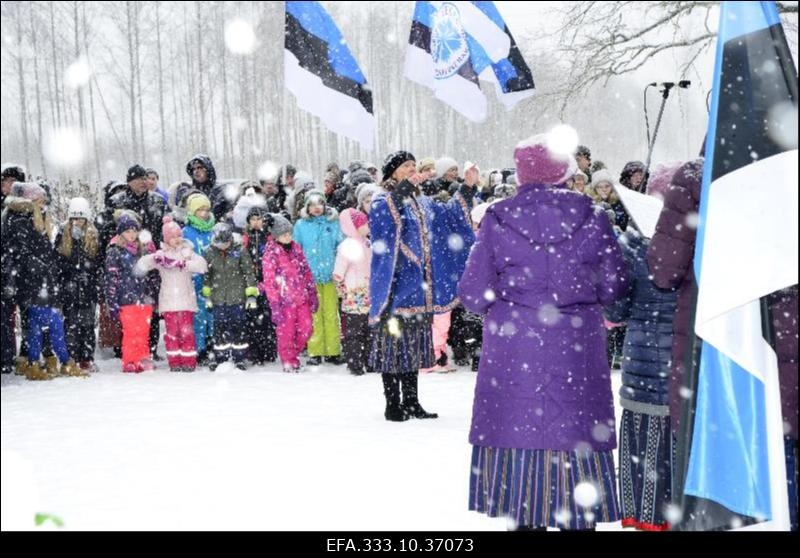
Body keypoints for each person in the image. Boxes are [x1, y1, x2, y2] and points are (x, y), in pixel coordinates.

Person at [459, 134, 628, 530]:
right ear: (565, 172)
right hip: (575, 350)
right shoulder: (594, 216)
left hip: (515, 354)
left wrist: (510, 300)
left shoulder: (498, 218)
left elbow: (471, 292)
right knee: (575, 456)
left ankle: (524, 513)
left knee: (521, 461)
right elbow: (614, 285)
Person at [368, 151, 476, 421]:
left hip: (419, 288)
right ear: (393, 172)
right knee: (393, 348)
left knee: (413, 346)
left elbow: (451, 216)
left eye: (414, 166)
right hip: (395, 287)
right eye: (406, 166)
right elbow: (385, 222)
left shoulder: (422, 201)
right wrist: (404, 189)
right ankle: (393, 404)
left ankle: (412, 401)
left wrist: (467, 186)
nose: (412, 170)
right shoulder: (384, 198)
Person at [605, 227, 678, 531]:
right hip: (687, 360)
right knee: (681, 445)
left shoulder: (632, 243)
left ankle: (647, 515)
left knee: (645, 449)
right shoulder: (702, 236)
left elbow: (616, 307)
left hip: (644, 364)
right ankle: (684, 511)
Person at [137, 217, 208, 372]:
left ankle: (189, 361)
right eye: (172, 237)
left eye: (178, 236)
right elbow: (142, 264)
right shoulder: (162, 255)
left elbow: (202, 265)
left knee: (187, 333)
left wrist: (185, 264)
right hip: (169, 302)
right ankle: (174, 362)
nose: (176, 240)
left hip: (186, 301)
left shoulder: (187, 252)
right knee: (172, 335)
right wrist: (154, 257)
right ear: (166, 239)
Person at [260, 214, 318, 373]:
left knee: (306, 329)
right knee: (286, 333)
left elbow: (306, 271)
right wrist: (275, 304)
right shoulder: (271, 253)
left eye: (290, 233)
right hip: (284, 301)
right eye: (284, 234)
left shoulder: (296, 248)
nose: (288, 237)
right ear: (276, 236)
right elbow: (269, 281)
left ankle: (293, 354)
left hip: (302, 298)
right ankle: (288, 360)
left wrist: (312, 292)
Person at [293, 191, 344, 366]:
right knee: (314, 315)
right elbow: (296, 251)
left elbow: (340, 246)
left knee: (331, 314)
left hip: (330, 277)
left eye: (319, 203)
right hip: (310, 279)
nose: (316, 207)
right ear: (307, 207)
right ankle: (315, 350)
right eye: (312, 204)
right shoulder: (301, 225)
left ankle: (333, 350)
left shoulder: (333, 223)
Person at [104, 212, 157, 373]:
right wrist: (112, 301)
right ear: (120, 233)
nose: (132, 235)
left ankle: (143, 357)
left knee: (143, 331)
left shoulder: (143, 251)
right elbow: (111, 278)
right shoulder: (115, 251)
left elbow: (152, 275)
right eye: (128, 231)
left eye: (134, 231)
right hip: (125, 299)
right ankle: (130, 359)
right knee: (130, 332)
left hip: (144, 298)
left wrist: (153, 294)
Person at [202, 223, 258, 371]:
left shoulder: (239, 251)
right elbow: (207, 276)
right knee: (219, 328)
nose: (223, 246)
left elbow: (248, 273)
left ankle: (239, 357)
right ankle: (221, 357)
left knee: (238, 327)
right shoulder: (209, 252)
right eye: (220, 243)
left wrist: (251, 295)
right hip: (218, 297)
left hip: (237, 297)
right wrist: (207, 296)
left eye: (226, 243)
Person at [56, 197, 103, 373]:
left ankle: (87, 358)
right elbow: (58, 261)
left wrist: (90, 276)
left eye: (81, 219)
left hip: (88, 288)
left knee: (87, 324)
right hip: (69, 288)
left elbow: (97, 262)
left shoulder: (93, 235)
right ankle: (72, 357)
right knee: (71, 324)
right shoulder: (63, 235)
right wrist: (71, 273)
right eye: (75, 219)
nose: (78, 223)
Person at [333, 208, 372, 375]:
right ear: (353, 227)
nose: (367, 226)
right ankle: (355, 363)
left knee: (369, 330)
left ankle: (369, 360)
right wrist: (341, 286)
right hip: (354, 292)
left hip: (368, 293)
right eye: (363, 224)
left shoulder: (367, 242)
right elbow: (339, 270)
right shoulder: (348, 245)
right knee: (354, 331)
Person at [242, 207, 278, 365]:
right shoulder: (245, 239)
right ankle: (254, 350)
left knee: (268, 317)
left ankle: (269, 350)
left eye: (259, 219)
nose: (256, 222)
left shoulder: (269, 238)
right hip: (250, 283)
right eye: (253, 219)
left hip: (267, 282)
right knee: (251, 316)